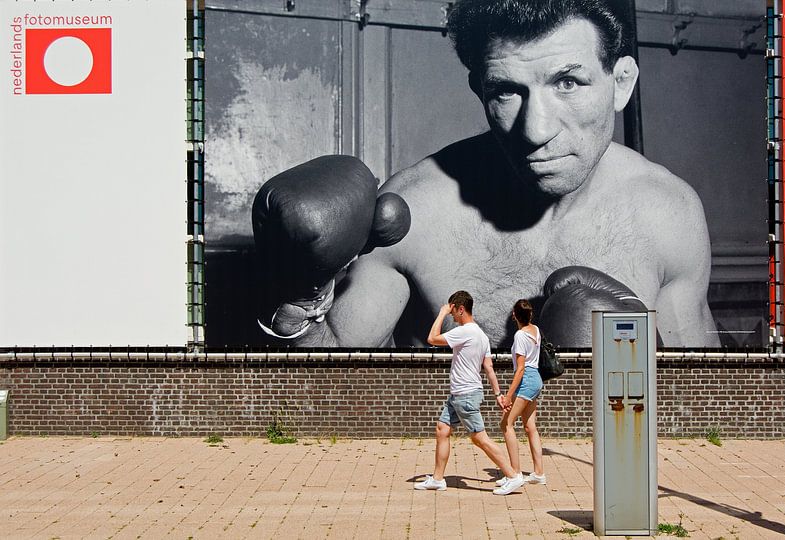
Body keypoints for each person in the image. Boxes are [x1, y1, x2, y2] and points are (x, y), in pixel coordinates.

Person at [252, 0, 720, 349]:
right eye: (506, 92)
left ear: (621, 84)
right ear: (479, 89)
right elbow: (324, 393)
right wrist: (298, 298)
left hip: (595, 474)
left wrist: (640, 367)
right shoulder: (416, 211)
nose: (536, 131)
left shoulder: (668, 213)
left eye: (567, 82)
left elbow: (702, 411)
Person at [414, 290, 526, 495]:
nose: (452, 316)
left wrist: (440, 313)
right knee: (442, 429)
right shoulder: (481, 335)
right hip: (460, 394)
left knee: (479, 438)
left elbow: (431, 338)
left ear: (461, 309)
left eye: (453, 312)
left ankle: (513, 475)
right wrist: (498, 394)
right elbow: (489, 368)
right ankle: (438, 479)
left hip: (465, 395)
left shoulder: (465, 332)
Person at [495, 300, 547, 493]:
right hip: (536, 379)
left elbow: (520, 369)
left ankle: (515, 474)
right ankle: (538, 473)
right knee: (529, 426)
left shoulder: (519, 335)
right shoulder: (536, 330)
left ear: (514, 315)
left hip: (526, 380)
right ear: (530, 315)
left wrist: (508, 396)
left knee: (506, 424)